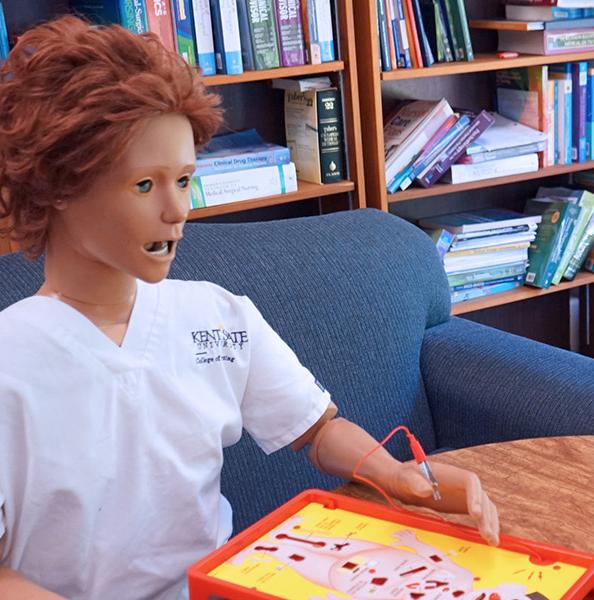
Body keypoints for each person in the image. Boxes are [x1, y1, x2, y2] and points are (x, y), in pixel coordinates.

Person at [0, 16, 499, 600]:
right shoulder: (13, 363)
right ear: (57, 185)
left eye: (184, 181)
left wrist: (394, 474)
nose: (175, 210)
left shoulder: (217, 318)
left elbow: (316, 429)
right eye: (144, 186)